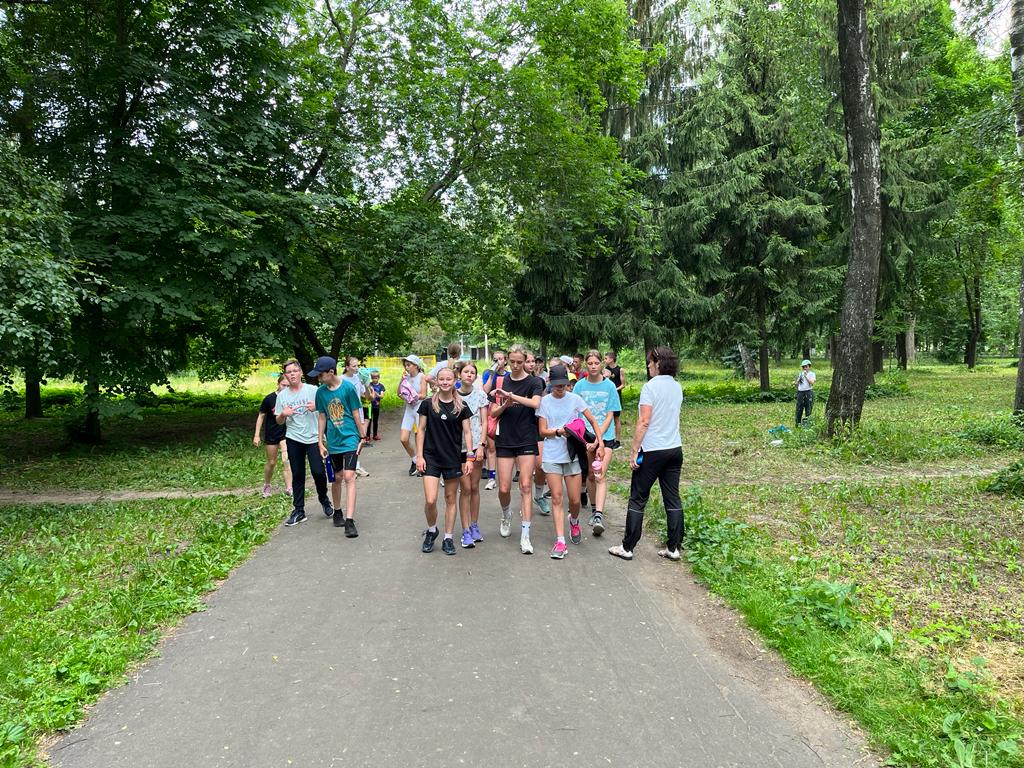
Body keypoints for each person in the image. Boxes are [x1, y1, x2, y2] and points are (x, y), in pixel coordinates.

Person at [609, 346, 684, 562]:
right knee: (672, 498)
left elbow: (644, 421)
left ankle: (628, 546)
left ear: (658, 363)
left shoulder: (650, 387)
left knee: (638, 498)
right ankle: (674, 547)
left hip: (652, 450)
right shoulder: (677, 386)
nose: (649, 366)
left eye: (650, 362)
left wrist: (634, 450)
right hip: (674, 448)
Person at [537, 364, 604, 559]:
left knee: (574, 500)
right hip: (552, 456)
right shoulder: (544, 402)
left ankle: (574, 521)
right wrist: (558, 431)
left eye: (564, 385)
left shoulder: (575, 399)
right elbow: (542, 431)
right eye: (557, 385)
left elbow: (593, 421)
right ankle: (560, 541)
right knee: (557, 498)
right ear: (550, 383)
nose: (561, 388)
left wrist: (599, 443)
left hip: (572, 455)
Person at [490, 344, 544, 554]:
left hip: (527, 437)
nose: (515, 365)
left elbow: (536, 404)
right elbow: (493, 413)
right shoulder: (502, 380)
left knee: (526, 486)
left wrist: (511, 396)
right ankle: (506, 515)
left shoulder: (534, 382)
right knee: (504, 488)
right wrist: (505, 404)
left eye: (519, 362)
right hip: (505, 438)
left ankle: (525, 535)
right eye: (511, 361)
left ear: (525, 361)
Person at [416, 367, 473, 555]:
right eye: (442, 379)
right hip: (431, 457)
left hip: (452, 458)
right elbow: (421, 430)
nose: (445, 382)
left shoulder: (462, 406)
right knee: (430, 500)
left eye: (449, 379)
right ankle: (432, 530)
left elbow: (467, 432)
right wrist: (419, 456)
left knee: (450, 498)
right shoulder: (427, 404)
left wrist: (470, 456)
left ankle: (448, 538)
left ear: (454, 381)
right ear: (437, 381)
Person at [311, 357, 367, 538]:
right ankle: (337, 512)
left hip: (350, 438)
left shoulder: (348, 388)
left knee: (349, 476)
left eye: (321, 374)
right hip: (333, 440)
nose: (319, 378)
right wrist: (320, 442)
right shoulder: (320, 393)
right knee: (337, 477)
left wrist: (363, 436)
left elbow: (356, 413)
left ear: (331, 372)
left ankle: (349, 521)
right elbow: (322, 417)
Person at [275, 359, 333, 527]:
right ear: (285, 375)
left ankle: (324, 499)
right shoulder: (282, 396)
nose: (292, 374)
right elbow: (278, 421)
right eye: (288, 372)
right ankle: (299, 510)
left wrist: (317, 406)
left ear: (300, 372)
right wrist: (283, 414)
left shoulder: (313, 390)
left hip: (313, 438)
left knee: (318, 472)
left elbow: (327, 409)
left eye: (295, 371)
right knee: (298, 474)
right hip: (293, 438)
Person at [574, 350, 622, 536]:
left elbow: (610, 415)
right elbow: (575, 411)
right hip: (585, 436)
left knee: (600, 474)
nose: (593, 366)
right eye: (590, 363)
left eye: (596, 363)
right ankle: (594, 510)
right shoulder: (580, 386)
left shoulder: (610, 386)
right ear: (586, 365)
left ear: (601, 363)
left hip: (605, 437)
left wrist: (598, 439)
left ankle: (599, 516)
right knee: (590, 475)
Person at [456, 361, 488, 547]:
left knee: (474, 487)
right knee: (465, 488)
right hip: (458, 447)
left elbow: (484, 421)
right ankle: (465, 530)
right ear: (459, 374)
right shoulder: (453, 395)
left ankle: (474, 525)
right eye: (466, 372)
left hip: (476, 446)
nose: (469, 375)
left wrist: (482, 445)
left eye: (472, 372)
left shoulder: (480, 395)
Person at [253, 373, 293, 498]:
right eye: (283, 385)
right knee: (271, 462)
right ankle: (267, 484)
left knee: (286, 460)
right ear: (278, 384)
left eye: (288, 386)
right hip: (272, 433)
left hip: (286, 433)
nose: (285, 388)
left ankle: (289, 488)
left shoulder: (292, 397)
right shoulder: (269, 399)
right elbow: (261, 416)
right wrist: (256, 435)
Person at [480, 350, 508, 491]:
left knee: (506, 446)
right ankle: (492, 478)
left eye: (500, 359)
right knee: (491, 446)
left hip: (506, 410)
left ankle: (509, 474)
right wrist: (492, 373)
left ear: (505, 360)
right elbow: (484, 391)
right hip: (491, 410)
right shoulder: (488, 374)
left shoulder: (509, 375)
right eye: (495, 359)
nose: (498, 361)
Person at [398, 354, 428, 476]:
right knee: (403, 439)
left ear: (416, 365)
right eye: (405, 365)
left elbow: (424, 395)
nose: (406, 367)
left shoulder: (422, 377)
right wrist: (402, 381)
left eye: (408, 365)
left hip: (419, 409)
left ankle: (422, 463)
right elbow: (399, 393)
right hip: (409, 409)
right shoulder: (406, 377)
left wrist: (413, 396)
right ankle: (415, 460)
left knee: (419, 437)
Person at [341, 357, 371, 477]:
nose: (357, 368)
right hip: (346, 414)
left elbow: (367, 396)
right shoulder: (341, 379)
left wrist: (366, 384)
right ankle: (351, 467)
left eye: (357, 365)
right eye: (354, 366)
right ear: (347, 367)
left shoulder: (359, 378)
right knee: (348, 440)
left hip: (359, 412)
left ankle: (355, 466)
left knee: (360, 439)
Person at [603, 350, 626, 444]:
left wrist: (614, 390)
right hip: (606, 397)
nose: (604, 360)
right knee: (607, 418)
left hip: (616, 397)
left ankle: (618, 440)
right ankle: (608, 439)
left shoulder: (620, 370)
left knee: (616, 419)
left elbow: (623, 385)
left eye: (606, 358)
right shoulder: (604, 369)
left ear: (612, 359)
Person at [795, 359, 816, 427]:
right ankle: (797, 424)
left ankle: (807, 424)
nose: (804, 368)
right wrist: (797, 381)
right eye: (803, 367)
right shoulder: (800, 374)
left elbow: (812, 383)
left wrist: (806, 376)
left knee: (808, 408)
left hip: (808, 392)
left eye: (806, 366)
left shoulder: (812, 374)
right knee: (799, 408)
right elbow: (797, 384)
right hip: (800, 392)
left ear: (809, 367)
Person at [368, 371, 385, 441]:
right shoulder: (369, 385)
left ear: (378, 378)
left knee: (375, 420)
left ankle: (375, 435)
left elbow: (382, 396)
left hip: (376, 406)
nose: (374, 379)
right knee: (369, 420)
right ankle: (367, 436)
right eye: (373, 378)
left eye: (376, 378)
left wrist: (376, 393)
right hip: (369, 406)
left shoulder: (381, 386)